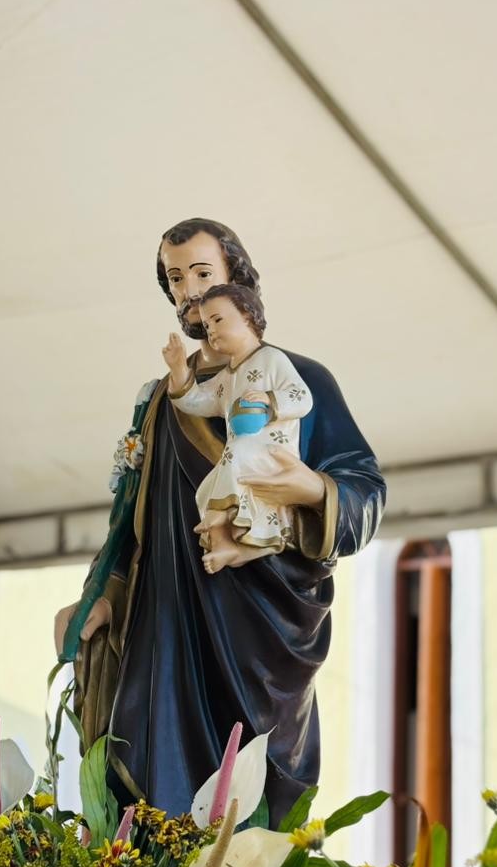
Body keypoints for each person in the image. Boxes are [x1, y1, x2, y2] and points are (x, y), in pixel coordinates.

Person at [54, 218, 385, 825]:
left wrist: (312, 489)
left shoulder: (298, 377)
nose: (190, 292)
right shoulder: (162, 399)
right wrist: (104, 591)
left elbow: (365, 492)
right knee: (148, 791)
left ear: (238, 278)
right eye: (176, 278)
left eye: (203, 274)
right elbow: (130, 514)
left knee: (248, 801)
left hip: (258, 627)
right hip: (164, 623)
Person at [162, 283, 313, 574]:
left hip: (272, 453)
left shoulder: (271, 359)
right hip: (242, 456)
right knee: (205, 489)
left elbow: (302, 397)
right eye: (207, 325)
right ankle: (227, 546)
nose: (211, 330)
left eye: (218, 319)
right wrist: (179, 368)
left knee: (236, 452)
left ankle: (221, 518)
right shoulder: (228, 377)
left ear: (247, 316)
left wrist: (269, 400)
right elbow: (196, 401)